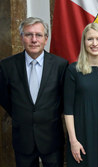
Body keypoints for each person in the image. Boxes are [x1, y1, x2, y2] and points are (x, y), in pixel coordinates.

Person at [0, 17, 68, 167]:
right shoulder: (7, 66)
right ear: (21, 38)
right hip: (23, 138)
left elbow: (64, 99)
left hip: (51, 138)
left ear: (46, 38)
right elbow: (4, 97)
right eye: (29, 34)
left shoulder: (60, 65)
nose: (34, 40)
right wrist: (22, 113)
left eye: (38, 35)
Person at [63, 22, 98, 167]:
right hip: (81, 136)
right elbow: (68, 110)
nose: (94, 43)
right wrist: (73, 141)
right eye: (90, 39)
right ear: (84, 42)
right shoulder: (73, 70)